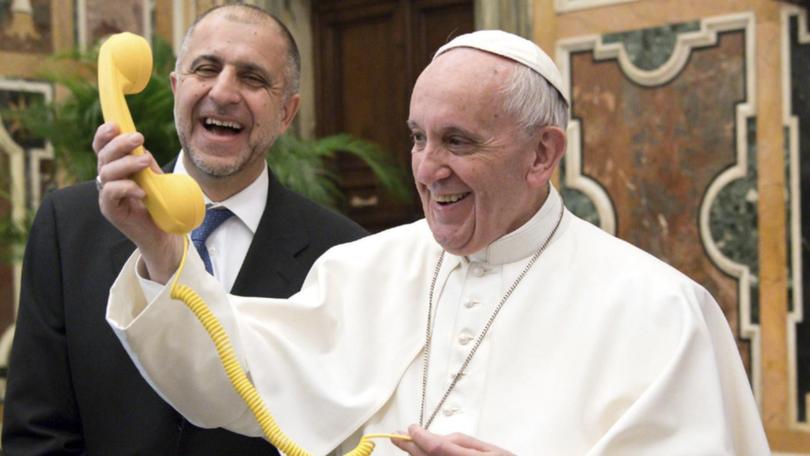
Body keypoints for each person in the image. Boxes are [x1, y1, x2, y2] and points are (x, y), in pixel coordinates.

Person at [99, 30, 770, 455]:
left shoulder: (662, 313)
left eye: (458, 141)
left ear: (542, 155)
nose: (425, 168)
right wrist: (161, 249)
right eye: (418, 136)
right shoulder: (366, 268)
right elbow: (235, 376)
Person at [2, 4, 366, 455]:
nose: (224, 92)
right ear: (177, 88)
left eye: (252, 78)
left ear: (287, 113)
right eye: (206, 68)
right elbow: (37, 433)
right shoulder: (68, 224)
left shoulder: (344, 254)